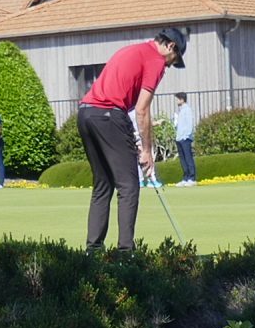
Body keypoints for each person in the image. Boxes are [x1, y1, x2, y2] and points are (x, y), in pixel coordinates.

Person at [78, 26, 185, 253]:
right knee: (128, 186)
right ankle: (125, 254)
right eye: (172, 61)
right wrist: (147, 150)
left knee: (103, 184)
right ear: (171, 46)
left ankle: (93, 251)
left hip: (86, 114)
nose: (168, 66)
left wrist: (128, 134)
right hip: (109, 114)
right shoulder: (156, 61)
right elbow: (142, 109)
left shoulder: (132, 50)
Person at [171, 94, 199, 186]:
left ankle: (192, 178)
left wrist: (186, 135)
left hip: (185, 138)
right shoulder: (180, 111)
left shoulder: (187, 109)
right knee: (182, 159)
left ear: (182, 99)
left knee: (188, 158)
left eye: (178, 99)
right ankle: (186, 177)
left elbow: (189, 124)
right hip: (179, 138)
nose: (176, 101)